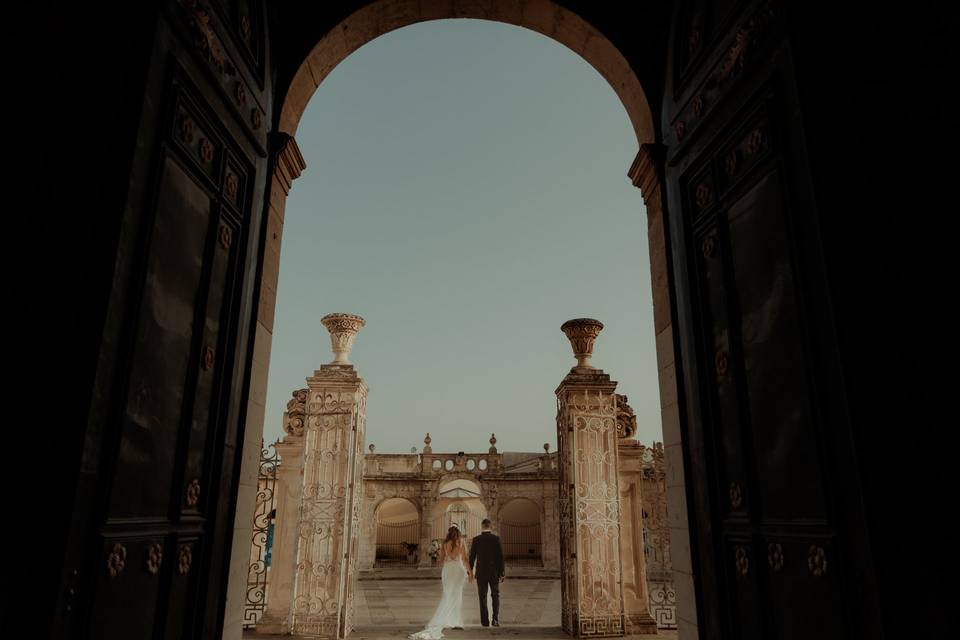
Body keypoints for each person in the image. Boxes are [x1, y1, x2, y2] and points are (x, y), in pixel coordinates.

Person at [408, 526, 472, 639]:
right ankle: (456, 622)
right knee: (457, 595)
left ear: (449, 534)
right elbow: (465, 559)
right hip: (458, 570)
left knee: (447, 595)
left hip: (447, 570)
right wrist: (470, 572)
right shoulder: (461, 542)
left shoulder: (445, 544)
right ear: (458, 533)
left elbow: (441, 560)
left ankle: (447, 620)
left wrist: (437, 553)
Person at [469, 518, 505, 627]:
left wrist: (470, 571)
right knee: (495, 595)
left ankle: (484, 621)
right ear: (490, 526)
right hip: (494, 572)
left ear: (482, 526)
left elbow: (472, 557)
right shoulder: (496, 539)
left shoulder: (476, 540)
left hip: (481, 573)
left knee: (482, 596)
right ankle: (495, 619)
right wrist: (502, 572)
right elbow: (500, 557)